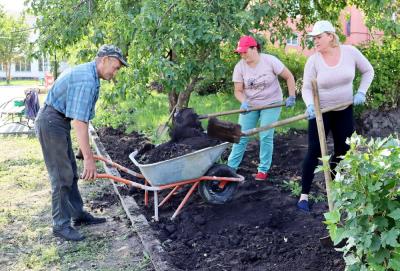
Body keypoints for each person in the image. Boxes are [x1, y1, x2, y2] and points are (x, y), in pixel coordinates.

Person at [35, 45, 128, 241]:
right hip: (52, 123)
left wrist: (83, 148)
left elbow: (81, 116)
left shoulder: (92, 76)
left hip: (59, 121)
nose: (115, 72)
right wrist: (88, 158)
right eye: (116, 67)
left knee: (70, 173)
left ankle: (77, 214)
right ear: (104, 60)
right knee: (62, 176)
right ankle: (60, 225)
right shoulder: (87, 79)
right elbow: (79, 121)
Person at [297, 21, 374, 212]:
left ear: (330, 36)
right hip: (320, 113)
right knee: (314, 151)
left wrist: (362, 92)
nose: (315, 41)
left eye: (319, 37)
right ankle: (303, 196)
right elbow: (306, 88)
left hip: (344, 110)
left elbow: (368, 71)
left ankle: (332, 184)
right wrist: (309, 106)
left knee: (344, 149)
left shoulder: (350, 52)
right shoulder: (313, 61)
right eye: (313, 38)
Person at [227, 35, 297, 181]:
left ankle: (263, 170)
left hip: (272, 103)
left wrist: (291, 96)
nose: (242, 55)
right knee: (240, 135)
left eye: (245, 51)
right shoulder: (240, 67)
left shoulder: (270, 61)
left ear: (254, 49)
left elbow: (289, 77)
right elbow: (238, 90)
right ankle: (230, 169)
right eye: (240, 52)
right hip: (250, 105)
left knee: (265, 135)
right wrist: (243, 102)